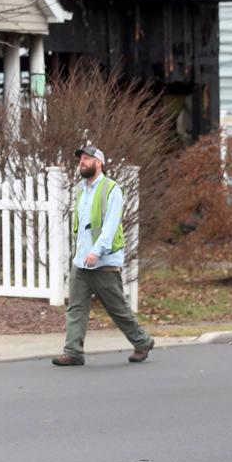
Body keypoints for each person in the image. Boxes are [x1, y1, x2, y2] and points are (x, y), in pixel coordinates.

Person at [51, 143, 155, 367]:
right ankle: (73, 351)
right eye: (80, 159)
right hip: (82, 261)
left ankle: (142, 341)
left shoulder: (112, 189)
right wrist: (82, 254)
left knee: (117, 308)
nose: (82, 162)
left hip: (104, 261)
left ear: (99, 163)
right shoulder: (81, 189)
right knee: (76, 307)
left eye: (87, 159)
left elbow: (110, 226)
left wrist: (96, 251)